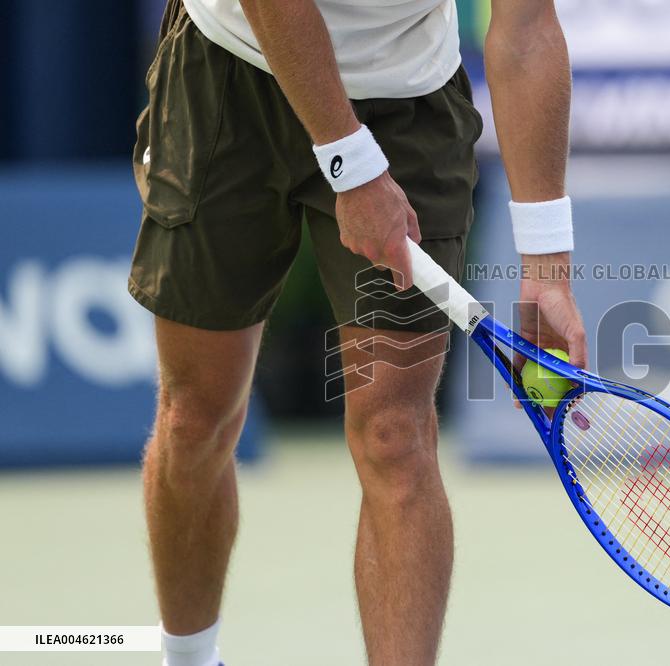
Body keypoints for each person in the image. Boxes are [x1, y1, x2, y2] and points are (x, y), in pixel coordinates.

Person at [129, 0, 586, 664]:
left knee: (395, 433)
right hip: (231, 65)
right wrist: (351, 165)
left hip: (407, 101)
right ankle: (191, 659)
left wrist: (547, 269)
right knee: (195, 418)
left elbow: (526, 29)